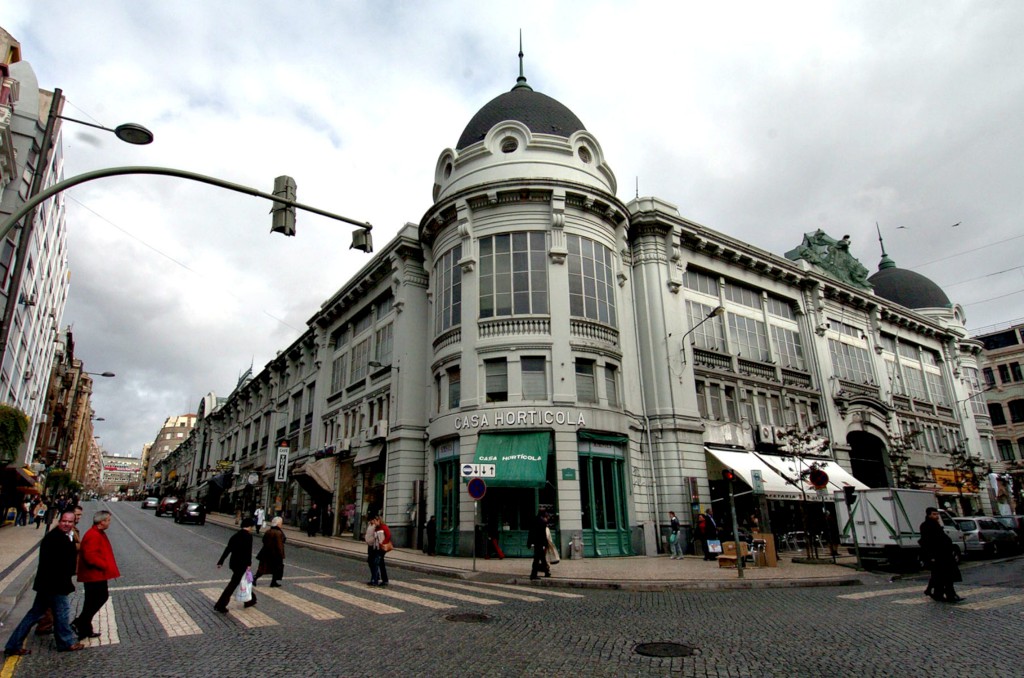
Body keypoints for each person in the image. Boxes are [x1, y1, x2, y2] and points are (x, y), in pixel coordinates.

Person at [3, 511, 84, 656]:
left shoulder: (64, 537)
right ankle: (65, 642)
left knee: (34, 614)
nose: (67, 524)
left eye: (70, 522)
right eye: (64, 521)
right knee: (62, 613)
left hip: (48, 585)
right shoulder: (55, 538)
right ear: (60, 521)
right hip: (54, 585)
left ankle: (13, 644)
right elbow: (55, 565)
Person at [71, 510, 121, 640]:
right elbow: (90, 556)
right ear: (101, 522)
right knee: (99, 598)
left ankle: (85, 628)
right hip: (94, 575)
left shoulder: (98, 533)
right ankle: (80, 622)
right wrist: (104, 565)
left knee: (92, 601)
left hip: (97, 574)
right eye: (108, 520)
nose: (109, 522)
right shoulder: (93, 535)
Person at [919, 506, 963, 603]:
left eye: (937, 514)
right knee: (944, 576)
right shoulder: (926, 526)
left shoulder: (935, 524)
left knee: (942, 576)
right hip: (938, 555)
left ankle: (940, 594)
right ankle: (947, 595)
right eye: (934, 514)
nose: (936, 516)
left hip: (944, 554)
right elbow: (927, 542)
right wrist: (931, 556)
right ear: (929, 515)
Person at [214, 518, 257, 612]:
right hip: (242, 564)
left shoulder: (235, 536)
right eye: (252, 527)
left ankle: (251, 600)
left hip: (233, 563)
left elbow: (228, 549)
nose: (252, 528)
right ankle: (220, 604)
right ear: (249, 526)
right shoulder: (248, 537)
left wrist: (221, 561)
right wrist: (249, 564)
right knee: (233, 584)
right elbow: (248, 552)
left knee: (243, 581)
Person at [253, 516, 286, 587]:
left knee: (263, 568)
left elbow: (263, 540)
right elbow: (279, 545)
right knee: (276, 568)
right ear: (278, 524)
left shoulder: (268, 531)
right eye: (281, 523)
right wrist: (281, 554)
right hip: (275, 554)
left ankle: (256, 578)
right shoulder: (278, 533)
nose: (281, 525)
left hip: (266, 552)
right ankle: (272, 582)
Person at [527, 509, 551, 580]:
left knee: (542, 558)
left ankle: (546, 572)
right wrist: (545, 543)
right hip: (539, 542)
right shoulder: (542, 522)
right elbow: (543, 534)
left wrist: (529, 542)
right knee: (537, 559)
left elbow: (531, 532)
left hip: (535, 541)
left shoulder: (534, 520)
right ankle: (533, 574)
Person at [365, 515, 381, 585]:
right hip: (370, 545)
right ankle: (375, 576)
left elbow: (379, 537)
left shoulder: (376, 526)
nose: (372, 521)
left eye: (373, 520)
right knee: (370, 561)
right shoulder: (369, 525)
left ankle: (375, 578)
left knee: (374, 562)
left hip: (375, 546)